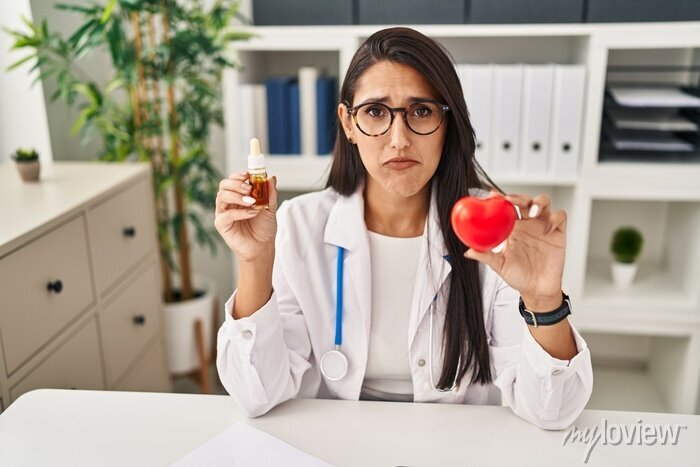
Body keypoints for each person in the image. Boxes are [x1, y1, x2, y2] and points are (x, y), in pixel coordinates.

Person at [214, 26, 592, 430]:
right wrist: (254, 261)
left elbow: (553, 412)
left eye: (421, 111)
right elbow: (257, 395)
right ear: (348, 123)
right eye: (376, 112)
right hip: (333, 444)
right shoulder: (299, 224)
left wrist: (544, 300)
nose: (399, 139)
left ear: (448, 124)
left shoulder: (495, 231)